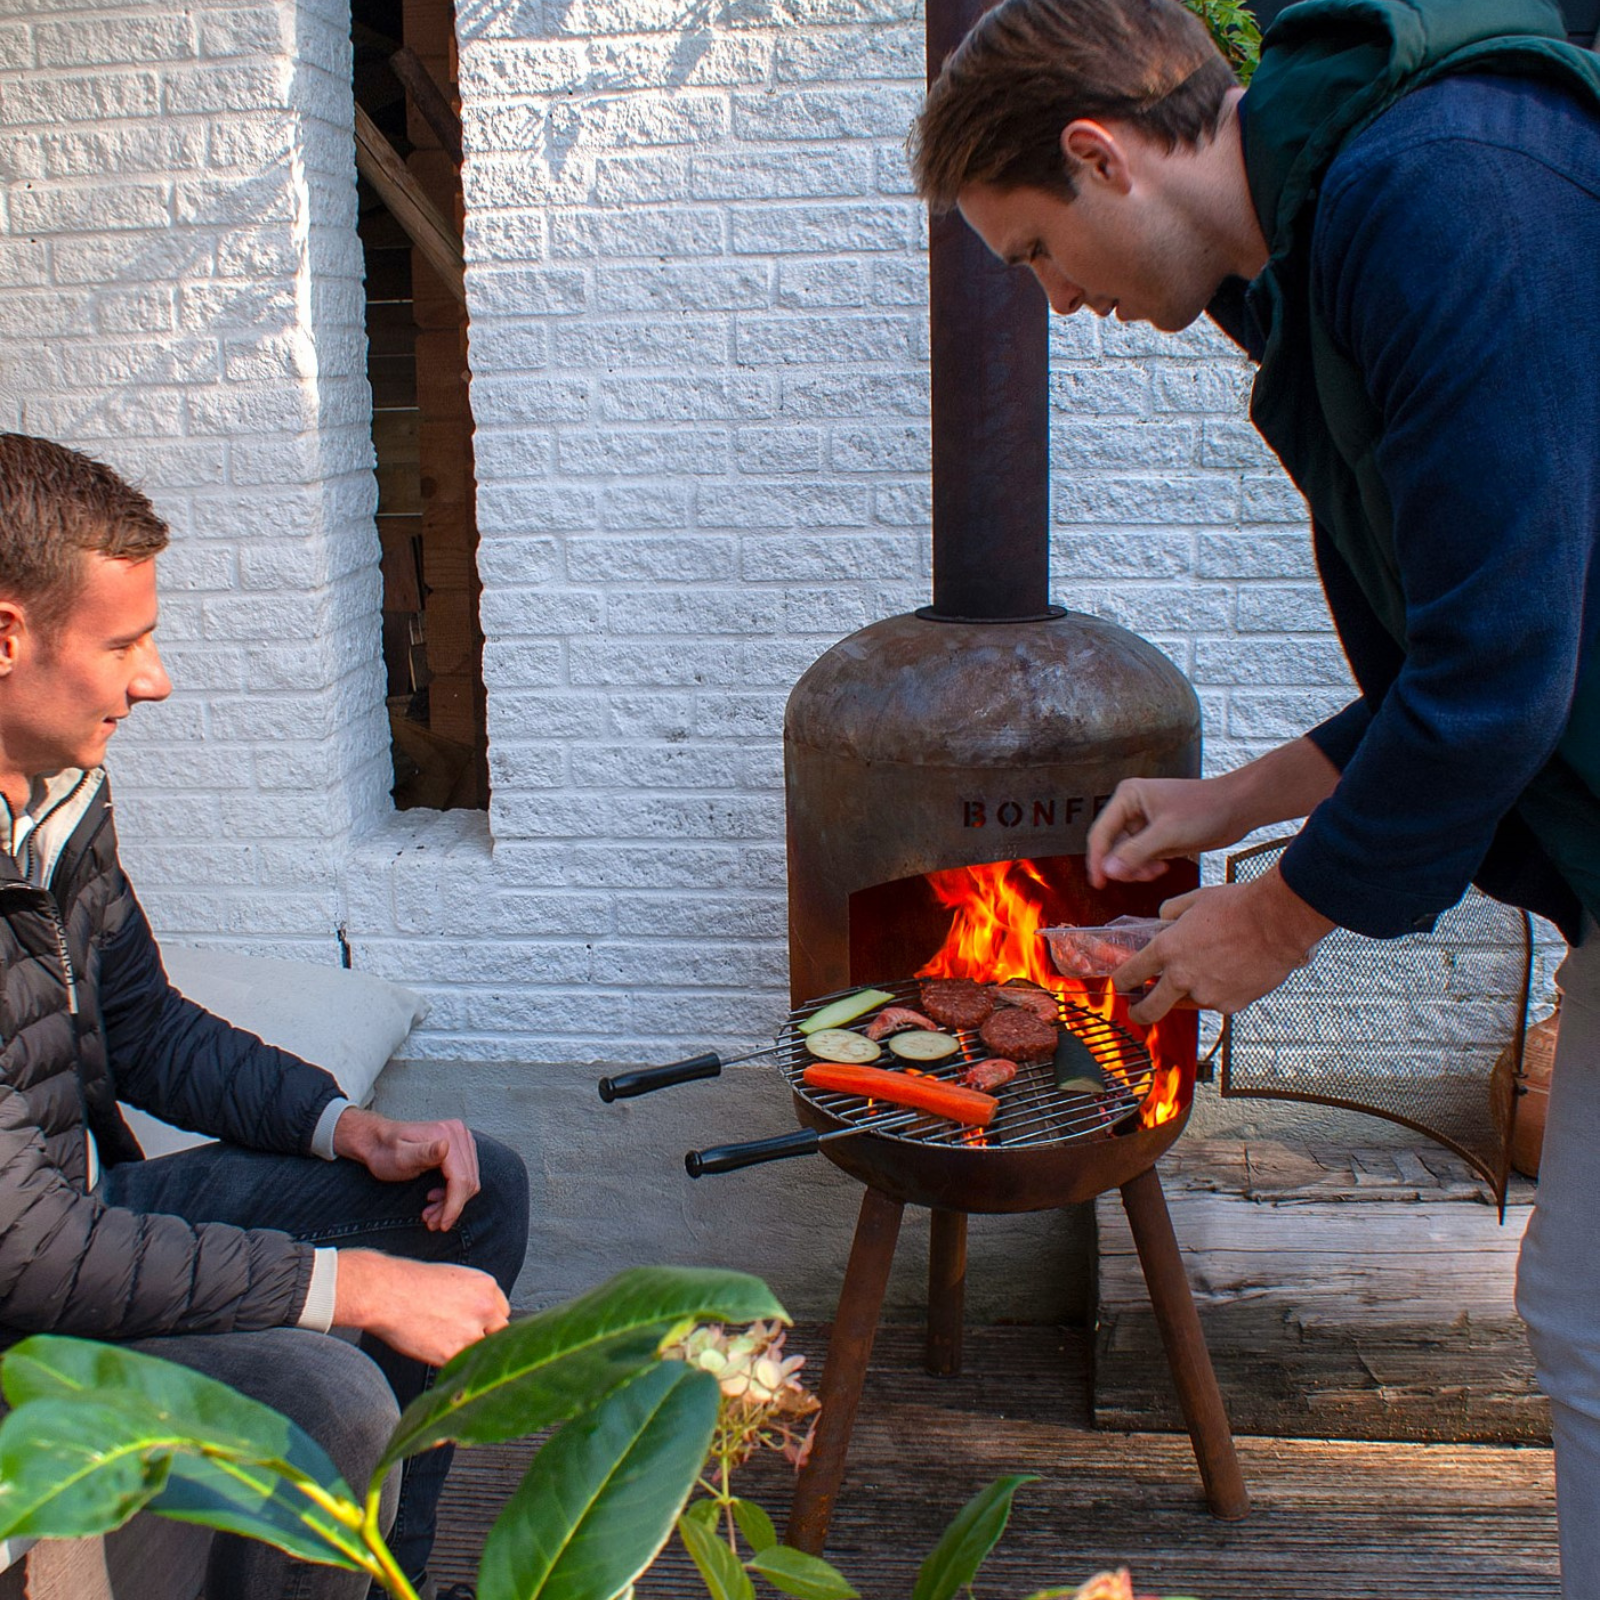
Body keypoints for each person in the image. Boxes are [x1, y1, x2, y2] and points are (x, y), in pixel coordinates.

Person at [913, 0, 1600, 1590]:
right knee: (1581, 1316)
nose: (1057, 303)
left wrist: (1278, 921)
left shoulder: (1437, 191)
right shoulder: (1318, 250)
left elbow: (1501, 672)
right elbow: (1490, 640)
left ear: (1101, 155)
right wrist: (1241, 798)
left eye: (1032, 249)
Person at [0, 431, 530, 1600]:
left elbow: (139, 1023)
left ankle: (391, 1579)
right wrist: (353, 1285)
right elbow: (24, 1253)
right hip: (25, 1290)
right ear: (8, 636)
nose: (157, 679)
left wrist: (343, 1127)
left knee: (470, 1190)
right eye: (124, 644)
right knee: (327, 1393)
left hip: (70, 1218)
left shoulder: (50, 797)